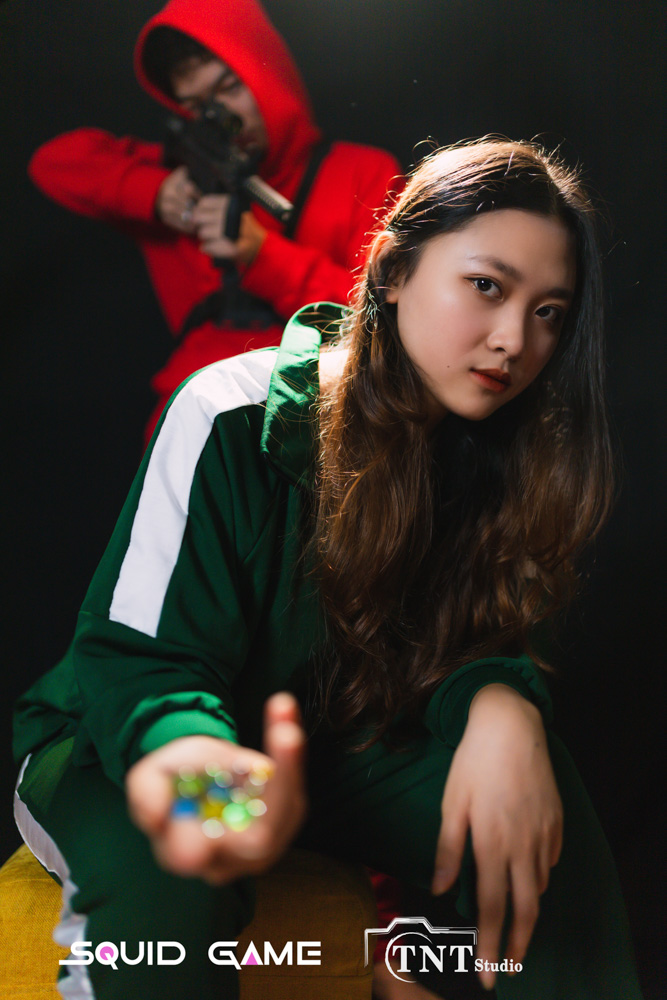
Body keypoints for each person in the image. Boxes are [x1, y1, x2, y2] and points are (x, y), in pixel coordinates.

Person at [13, 138, 645, 1000]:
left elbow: (473, 645)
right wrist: (206, 774)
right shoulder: (228, 412)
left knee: (542, 809)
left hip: (324, 763)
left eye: (548, 312)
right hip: (133, 744)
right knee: (175, 886)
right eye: (486, 287)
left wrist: (500, 703)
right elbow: (144, 666)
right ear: (390, 271)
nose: (513, 340)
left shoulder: (503, 457)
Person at [28, 0, 402, 441]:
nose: (219, 116)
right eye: (196, 105)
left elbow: (386, 319)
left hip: (322, 417)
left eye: (229, 87)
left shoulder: (363, 171)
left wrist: (262, 255)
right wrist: (155, 193)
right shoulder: (181, 180)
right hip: (194, 423)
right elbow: (52, 162)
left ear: (269, 72)